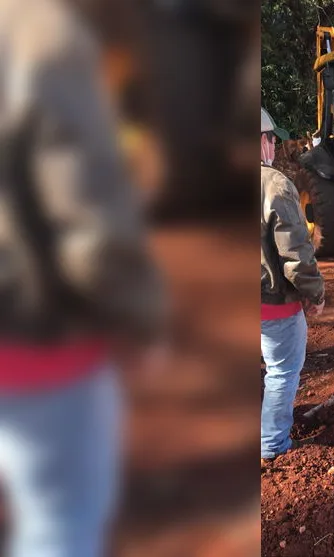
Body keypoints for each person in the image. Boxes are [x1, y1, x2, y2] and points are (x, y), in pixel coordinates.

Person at [0, 1, 166, 556]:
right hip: (41, 345)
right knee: (61, 521)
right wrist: (136, 317)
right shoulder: (43, 40)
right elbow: (85, 211)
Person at [260, 107, 325, 461]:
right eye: (270, 138)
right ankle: (271, 444)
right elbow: (296, 253)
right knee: (281, 370)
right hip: (271, 302)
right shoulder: (274, 184)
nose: (273, 146)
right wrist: (314, 293)